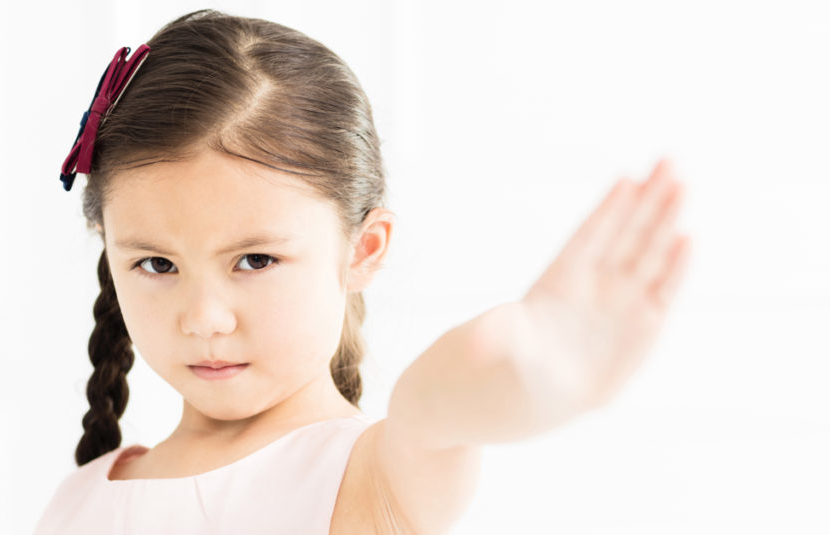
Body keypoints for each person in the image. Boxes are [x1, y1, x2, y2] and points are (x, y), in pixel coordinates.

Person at [35, 7, 691, 534]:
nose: (205, 317)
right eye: (157, 263)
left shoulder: (370, 478)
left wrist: (523, 357)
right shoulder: (79, 500)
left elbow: (429, 412)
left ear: (363, 249)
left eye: (255, 259)